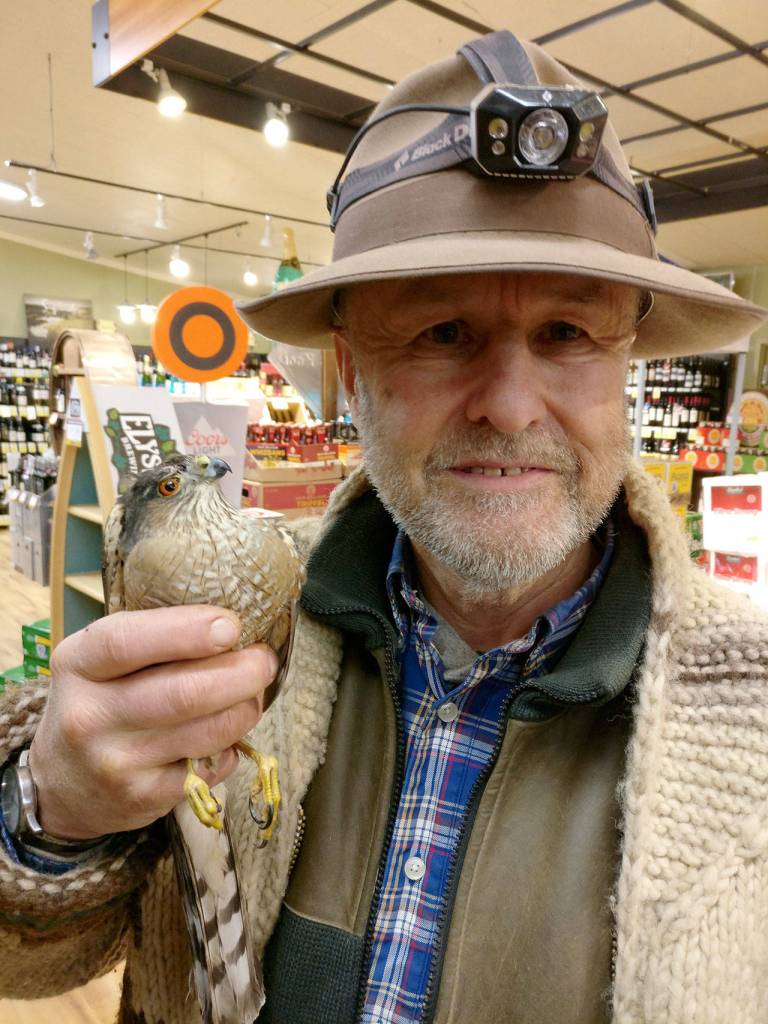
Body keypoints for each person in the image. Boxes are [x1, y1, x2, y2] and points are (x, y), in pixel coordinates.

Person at [1, 28, 767, 1024]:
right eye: (442, 333)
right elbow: (34, 956)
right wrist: (54, 811)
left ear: (622, 365)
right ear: (353, 376)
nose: (510, 405)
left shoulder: (750, 725)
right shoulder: (225, 637)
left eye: (567, 333)